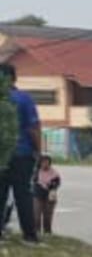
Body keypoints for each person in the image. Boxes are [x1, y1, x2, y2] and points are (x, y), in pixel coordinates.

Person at [0, 61, 42, 245]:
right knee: (23, 194)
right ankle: (29, 236)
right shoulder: (24, 99)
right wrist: (38, 151)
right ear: (13, 78)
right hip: (21, 154)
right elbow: (33, 128)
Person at [32, 155, 60, 236]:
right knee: (36, 214)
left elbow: (57, 183)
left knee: (48, 215)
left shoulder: (54, 173)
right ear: (40, 163)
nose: (45, 164)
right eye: (43, 162)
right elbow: (33, 181)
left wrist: (51, 185)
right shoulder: (36, 172)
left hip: (50, 196)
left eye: (47, 162)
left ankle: (47, 231)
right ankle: (36, 230)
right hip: (38, 195)